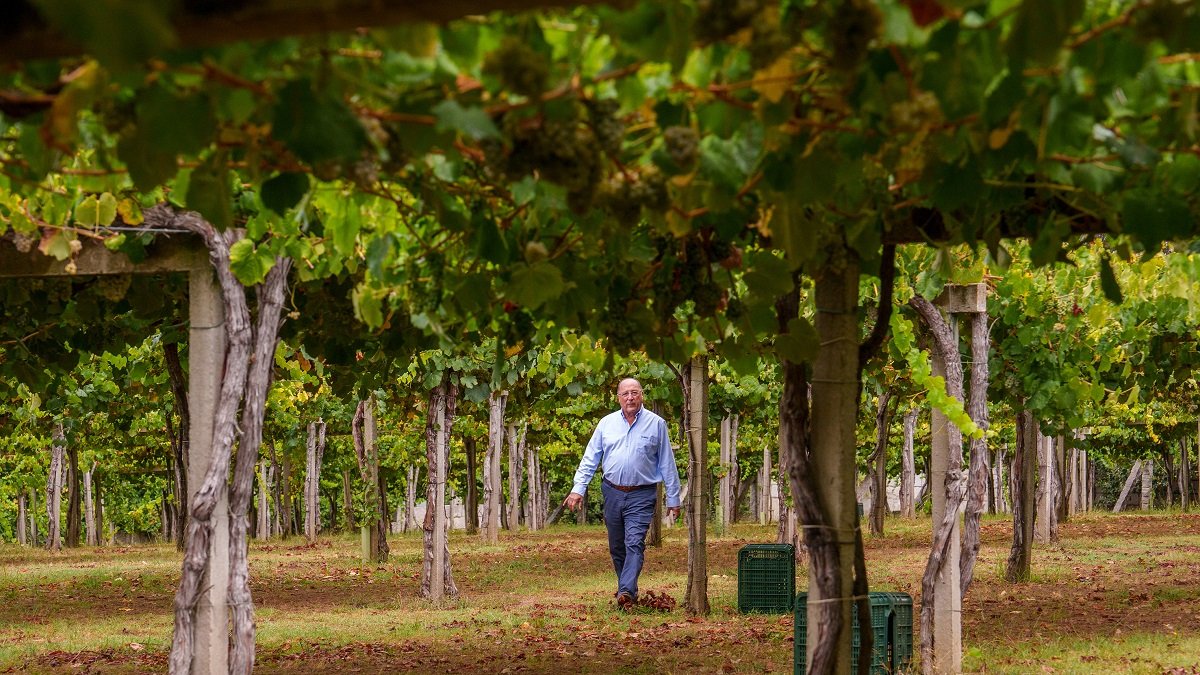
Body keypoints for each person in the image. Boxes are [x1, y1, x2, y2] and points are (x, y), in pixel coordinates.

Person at [564, 377, 682, 610]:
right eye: (625, 394)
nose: (630, 397)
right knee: (617, 546)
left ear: (642, 396)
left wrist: (673, 498)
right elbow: (590, 458)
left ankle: (626, 590)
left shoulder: (656, 424)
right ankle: (626, 591)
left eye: (635, 393)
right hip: (613, 492)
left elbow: (667, 463)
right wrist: (578, 489)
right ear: (618, 398)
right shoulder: (606, 424)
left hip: (642, 494)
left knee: (634, 543)